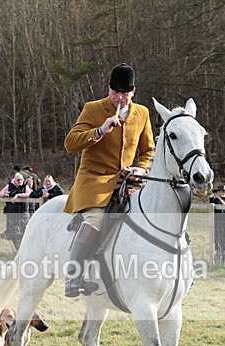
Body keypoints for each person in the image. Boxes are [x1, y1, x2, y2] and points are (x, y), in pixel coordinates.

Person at [62, 63, 155, 297]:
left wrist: (142, 169)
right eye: (115, 93)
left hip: (128, 180)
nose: (119, 98)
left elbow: (148, 151)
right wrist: (100, 131)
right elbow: (70, 142)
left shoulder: (142, 113)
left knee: (157, 210)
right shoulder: (93, 109)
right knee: (96, 217)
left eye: (125, 93)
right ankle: (73, 277)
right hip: (94, 179)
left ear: (133, 92)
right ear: (108, 89)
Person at [0, 173, 33, 251]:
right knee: (13, 232)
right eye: (18, 180)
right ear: (15, 180)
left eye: (21, 180)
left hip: (23, 212)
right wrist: (5, 194)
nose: (20, 181)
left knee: (24, 230)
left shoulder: (25, 186)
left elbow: (29, 194)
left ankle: (25, 249)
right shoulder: (9, 186)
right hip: (12, 212)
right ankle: (17, 249)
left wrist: (18, 195)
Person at [209, 185, 225, 267]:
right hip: (218, 225)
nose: (223, 192)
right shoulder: (215, 200)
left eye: (224, 191)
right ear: (218, 192)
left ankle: (221, 263)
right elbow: (220, 213)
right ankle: (219, 263)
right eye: (221, 191)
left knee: (223, 245)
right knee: (220, 244)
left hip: (224, 225)